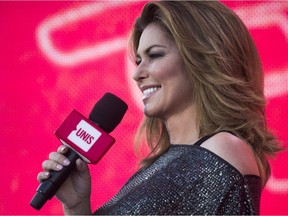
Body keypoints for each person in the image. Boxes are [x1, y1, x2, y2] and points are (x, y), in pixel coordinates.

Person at [37, 1, 282, 215]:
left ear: (203, 59)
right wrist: (77, 207)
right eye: (139, 60)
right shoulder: (169, 162)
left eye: (154, 55)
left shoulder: (222, 152)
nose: (138, 74)